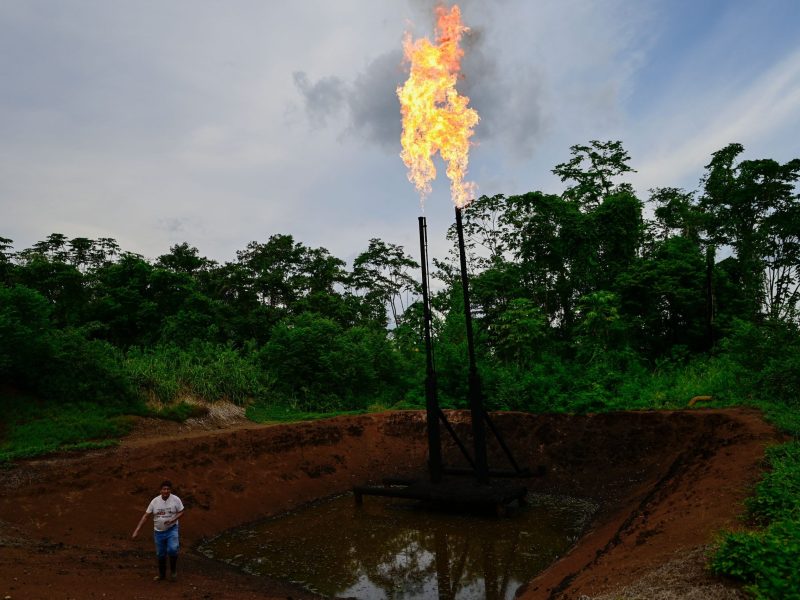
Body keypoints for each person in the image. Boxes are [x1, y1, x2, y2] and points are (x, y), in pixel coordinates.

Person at [132, 480, 185, 581]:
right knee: (160, 553)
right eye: (164, 489)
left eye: (168, 489)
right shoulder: (155, 501)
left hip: (171, 529)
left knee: (172, 549)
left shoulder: (176, 500)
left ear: (170, 490)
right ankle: (162, 575)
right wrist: (137, 530)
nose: (166, 491)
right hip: (159, 532)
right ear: (160, 490)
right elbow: (146, 516)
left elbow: (182, 511)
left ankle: (173, 572)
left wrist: (173, 519)